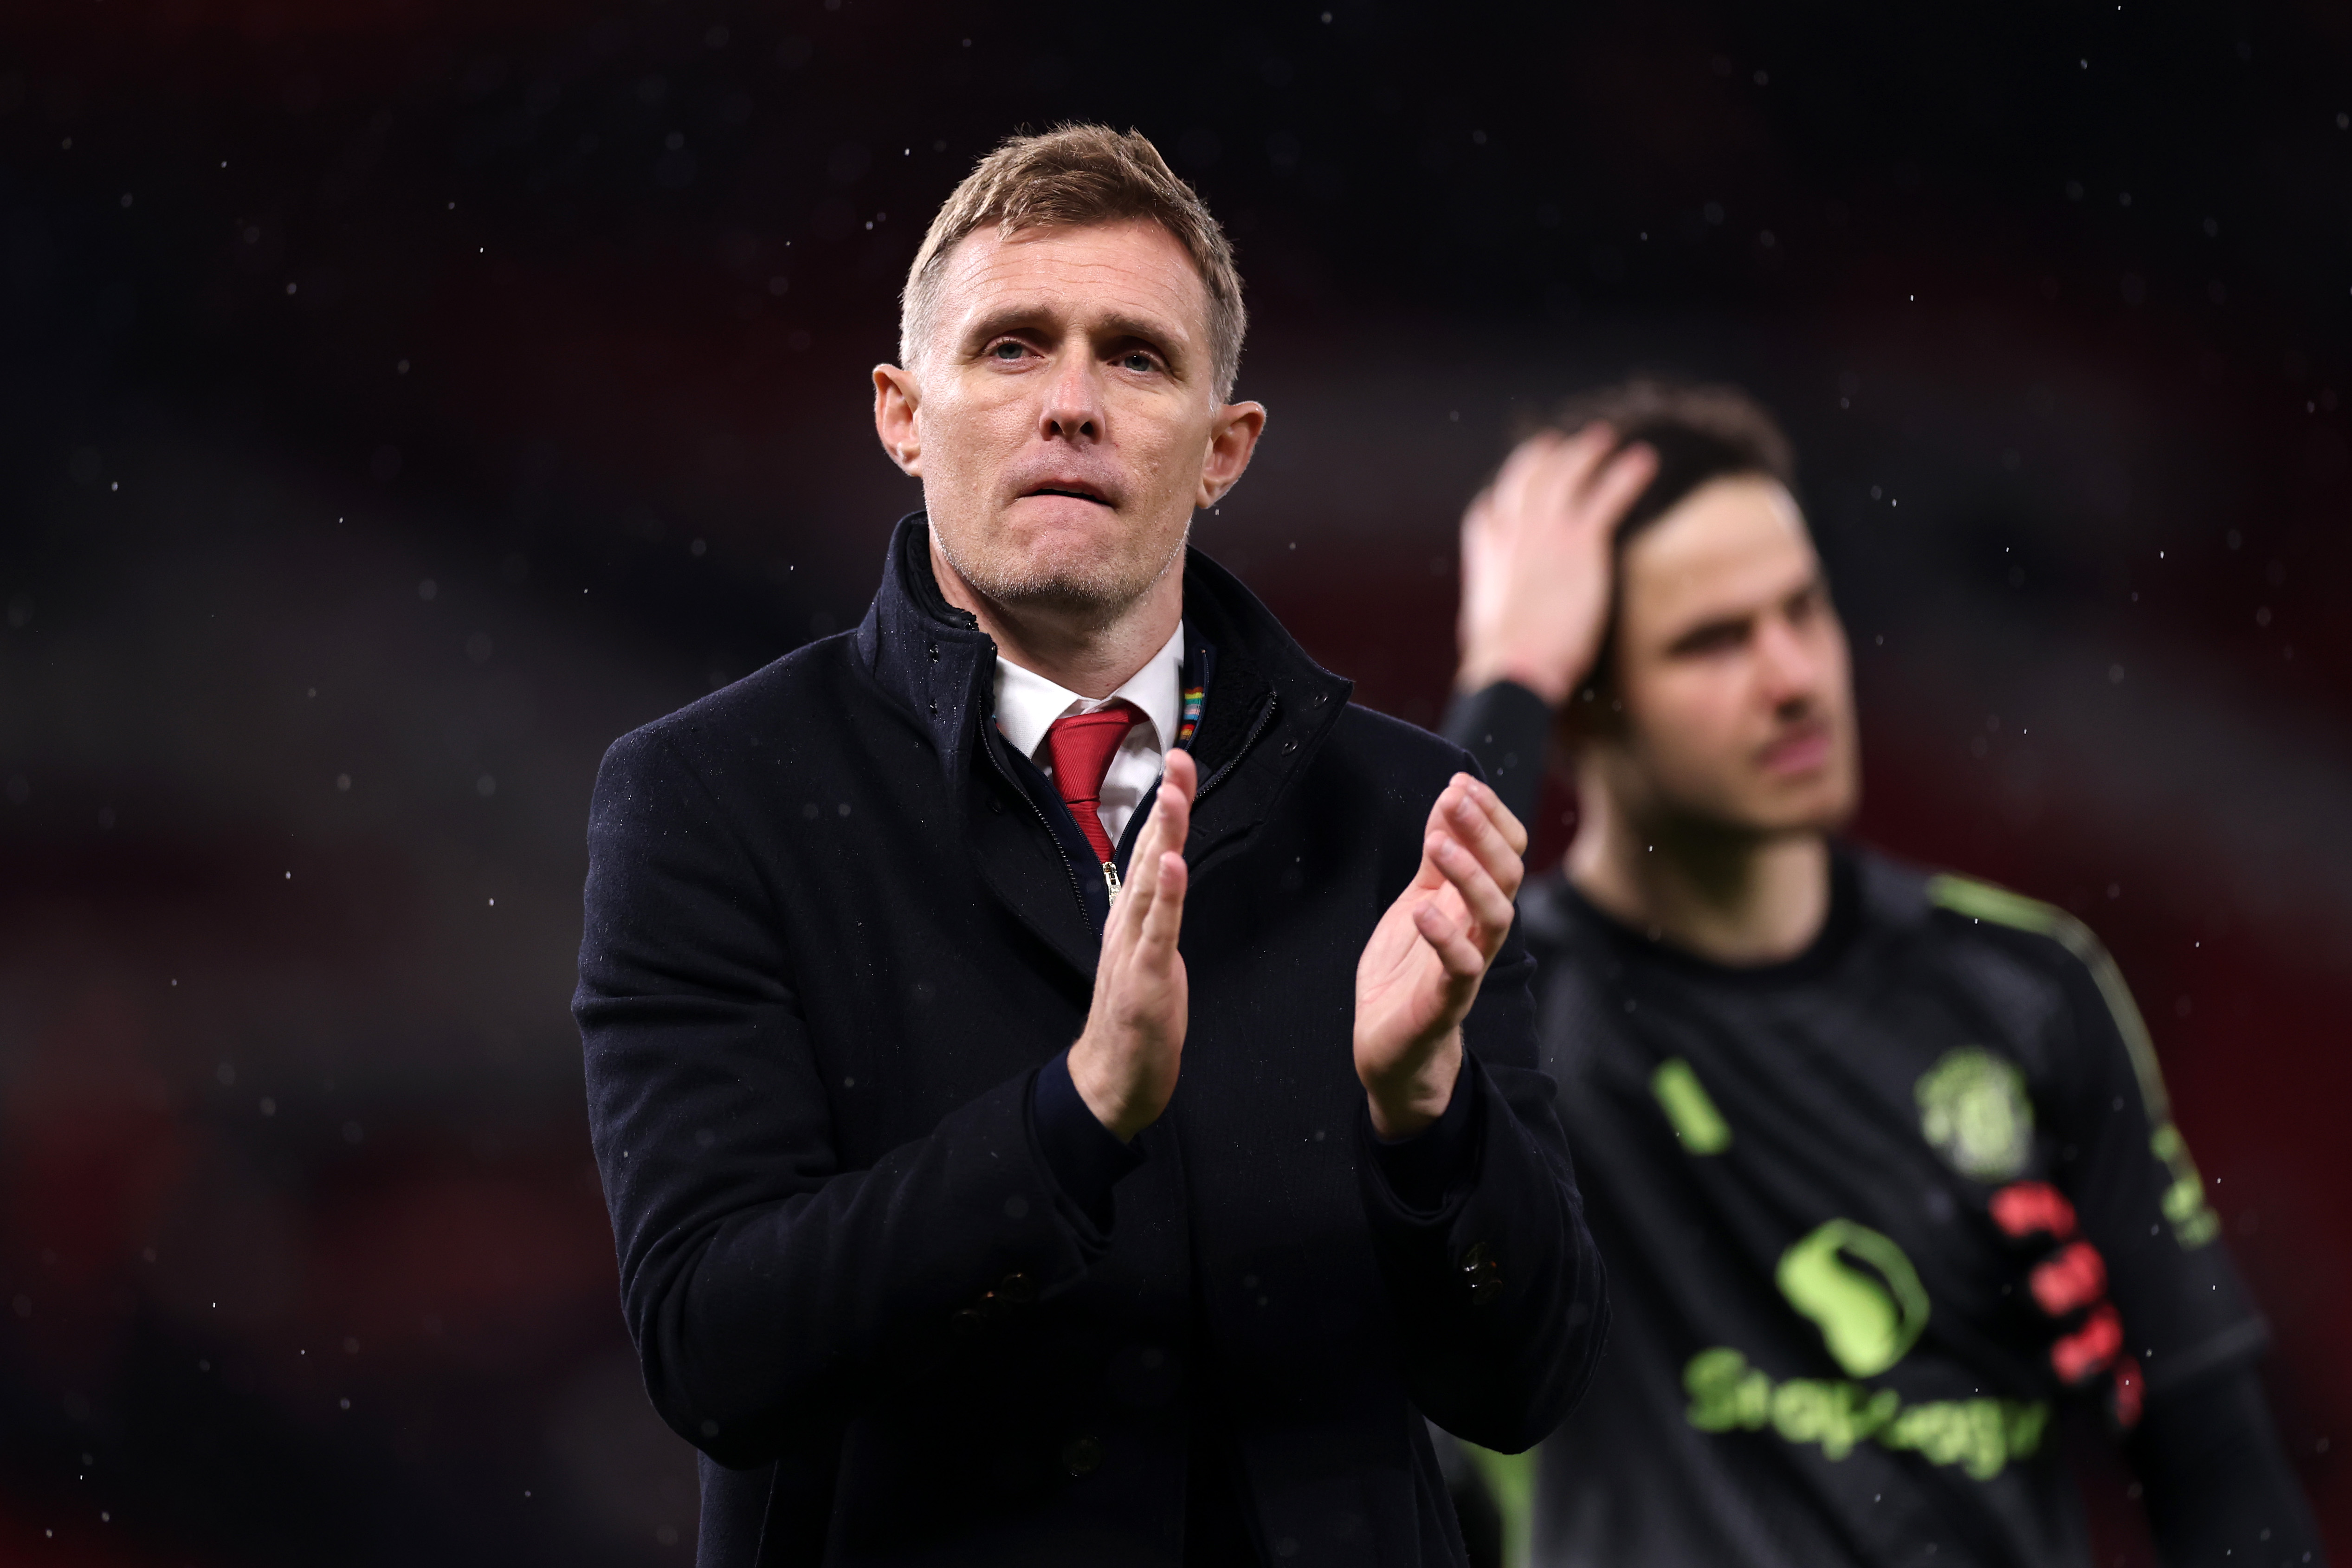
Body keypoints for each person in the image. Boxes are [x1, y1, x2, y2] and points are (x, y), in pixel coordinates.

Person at [573, 126, 1606, 1568]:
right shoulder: (711, 797)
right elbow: (713, 1349)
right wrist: (1068, 1123)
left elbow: (1526, 1381)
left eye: (1133, 356)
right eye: (1009, 347)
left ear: (1222, 449)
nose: (1070, 404)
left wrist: (1426, 1120)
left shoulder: (1400, 815)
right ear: (902, 415)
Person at [1441, 381, 2326, 1568]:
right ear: (1585, 709)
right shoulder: (1517, 1007)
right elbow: (1390, 1005)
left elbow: (2217, 1470)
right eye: (1712, 641)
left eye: (1801, 610)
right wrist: (1504, 678)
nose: (1793, 675)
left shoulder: (2027, 987)